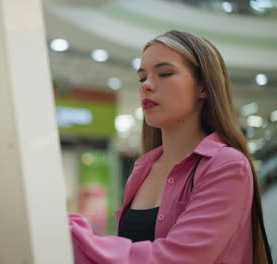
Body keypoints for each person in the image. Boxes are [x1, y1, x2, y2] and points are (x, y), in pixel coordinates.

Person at [69, 30, 273, 264]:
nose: (147, 85)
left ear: (204, 87)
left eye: (164, 74)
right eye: (142, 77)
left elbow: (177, 258)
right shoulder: (143, 169)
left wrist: (80, 238)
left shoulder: (227, 165)